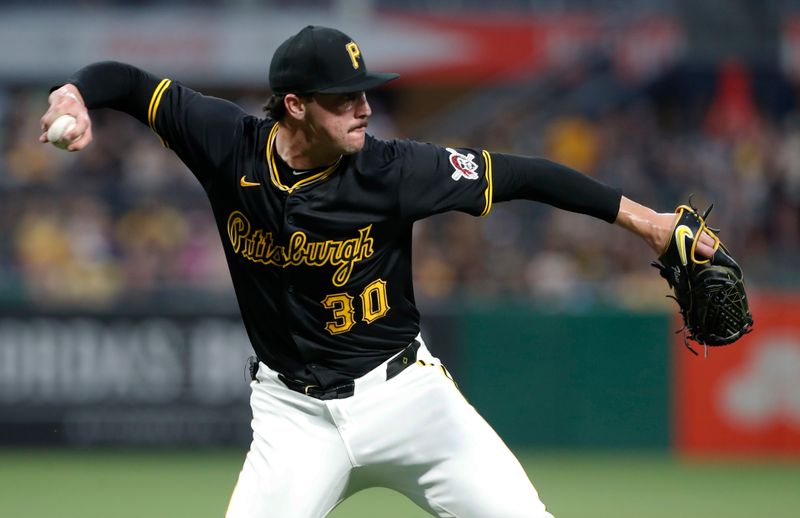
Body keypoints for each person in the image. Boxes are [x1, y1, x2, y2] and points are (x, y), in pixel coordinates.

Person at [40, 25, 716, 518]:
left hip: (407, 401)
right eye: (343, 98)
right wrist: (74, 95)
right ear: (296, 105)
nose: (364, 107)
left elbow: (520, 175)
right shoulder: (226, 143)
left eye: (364, 92)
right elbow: (127, 84)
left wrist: (649, 222)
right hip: (294, 414)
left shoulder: (394, 169)